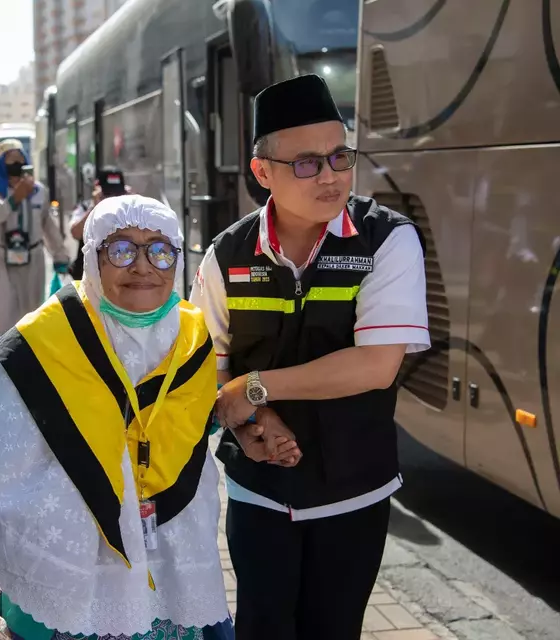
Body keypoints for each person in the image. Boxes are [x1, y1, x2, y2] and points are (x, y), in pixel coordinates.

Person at [190, 74, 430, 640]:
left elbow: (375, 365)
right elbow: (208, 361)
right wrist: (250, 419)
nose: (329, 176)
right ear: (262, 172)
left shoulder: (387, 241)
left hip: (355, 487)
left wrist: (252, 388)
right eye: (306, 163)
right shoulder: (227, 254)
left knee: (333, 628)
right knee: (263, 624)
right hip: (258, 488)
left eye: (339, 156)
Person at [0, 195, 237, 640]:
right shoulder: (47, 339)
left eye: (159, 249)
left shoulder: (192, 336)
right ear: (92, 257)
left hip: (171, 570)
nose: (142, 266)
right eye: (120, 249)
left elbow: (199, 426)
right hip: (70, 577)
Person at [0, 139, 70, 333]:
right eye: (10, 160)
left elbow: (48, 225)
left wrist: (60, 255)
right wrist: (13, 200)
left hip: (32, 257)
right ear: (2, 164)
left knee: (33, 312)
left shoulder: (39, 191)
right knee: (5, 312)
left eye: (20, 159)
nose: (16, 165)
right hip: (3, 258)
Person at [69, 166, 130, 279]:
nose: (112, 197)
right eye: (108, 193)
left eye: (116, 193)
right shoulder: (86, 207)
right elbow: (75, 233)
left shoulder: (130, 210)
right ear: (97, 189)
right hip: (89, 276)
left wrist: (133, 203)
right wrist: (95, 207)